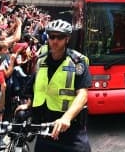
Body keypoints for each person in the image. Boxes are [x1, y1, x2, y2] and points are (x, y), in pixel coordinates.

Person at [20, 19, 91, 152]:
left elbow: (83, 94)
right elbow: (37, 87)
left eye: (60, 37)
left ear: (67, 39)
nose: (55, 41)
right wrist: (28, 105)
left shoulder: (77, 62)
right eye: (52, 36)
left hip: (69, 127)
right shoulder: (41, 60)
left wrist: (67, 118)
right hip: (45, 127)